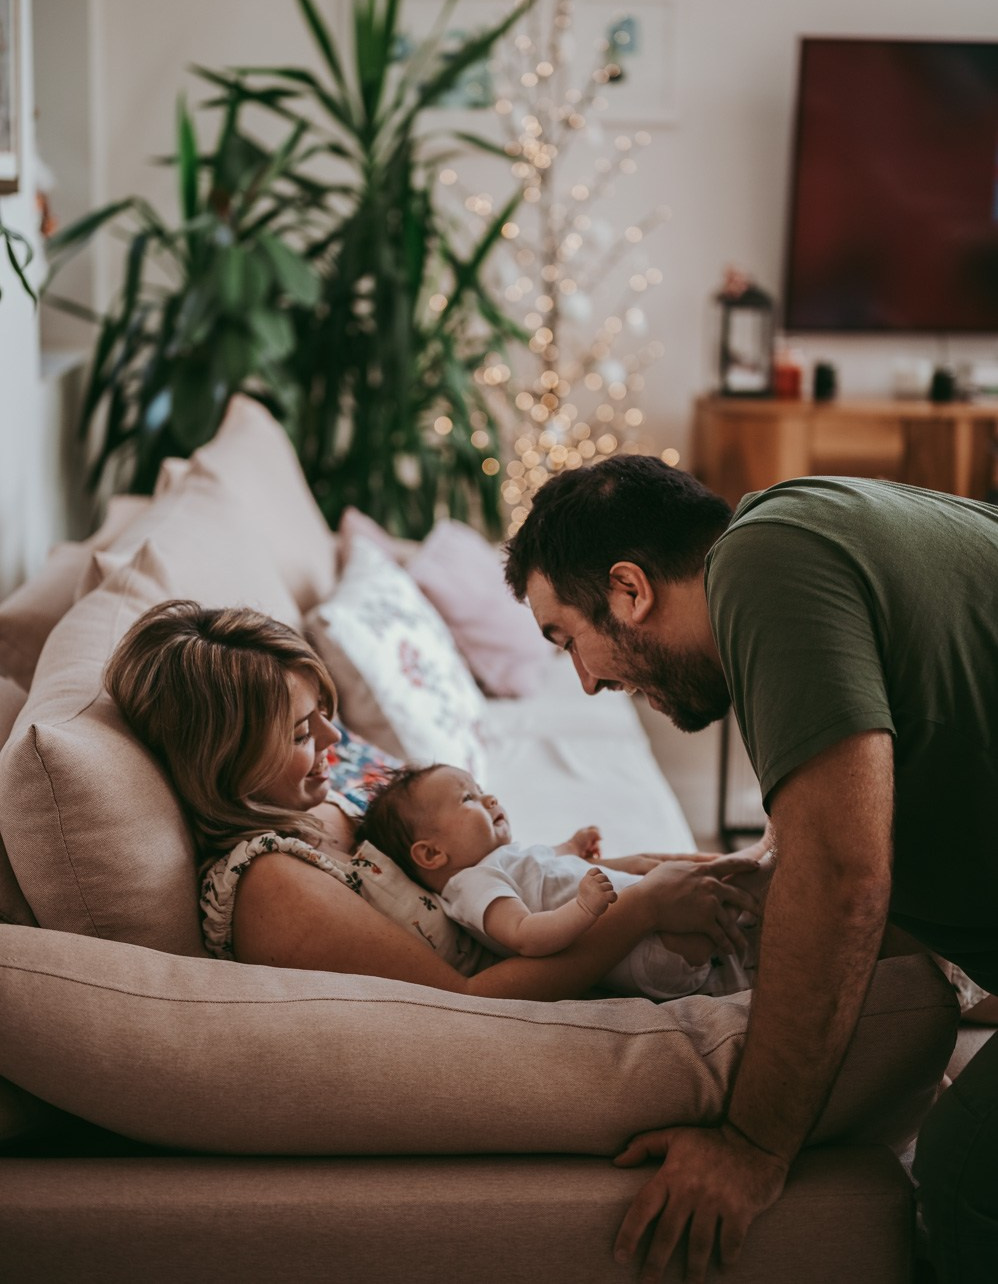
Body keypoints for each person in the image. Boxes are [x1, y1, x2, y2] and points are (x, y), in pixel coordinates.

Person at [504, 455, 998, 1284]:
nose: (587, 682)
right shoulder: (795, 531)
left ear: (629, 590)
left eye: (568, 642)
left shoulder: (766, 565)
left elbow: (845, 878)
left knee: (964, 1170)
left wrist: (754, 1145)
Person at [104, 598, 760, 1005]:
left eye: (324, 714)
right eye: (303, 732)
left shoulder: (319, 808)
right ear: (223, 763)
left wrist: (647, 871)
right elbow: (469, 1000)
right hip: (571, 985)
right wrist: (644, 905)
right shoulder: (272, 885)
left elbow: (480, 873)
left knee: (767, 879)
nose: (334, 739)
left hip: (564, 929)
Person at [361, 761, 763, 999]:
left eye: (482, 790)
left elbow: (546, 865)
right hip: (641, 949)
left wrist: (572, 845)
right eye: (468, 799)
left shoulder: (502, 860)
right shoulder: (471, 885)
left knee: (709, 891)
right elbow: (525, 934)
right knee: (738, 892)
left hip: (648, 928)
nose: (490, 799)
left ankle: (753, 891)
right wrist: (584, 906)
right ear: (432, 854)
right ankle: (767, 861)